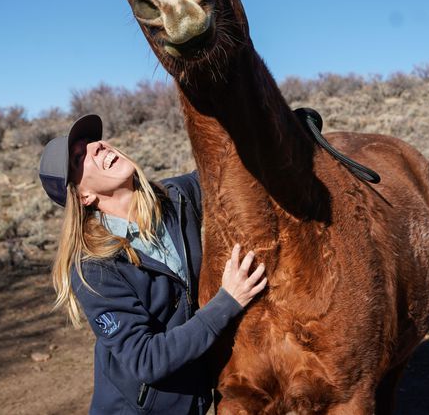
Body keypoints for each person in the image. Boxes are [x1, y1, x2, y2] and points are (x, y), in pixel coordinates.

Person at [38, 114, 267, 414]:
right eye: (80, 157)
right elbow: (146, 360)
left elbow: (227, 169)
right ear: (83, 196)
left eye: (94, 141)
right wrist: (228, 301)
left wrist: (283, 130)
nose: (97, 147)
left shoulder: (175, 199)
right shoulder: (94, 268)